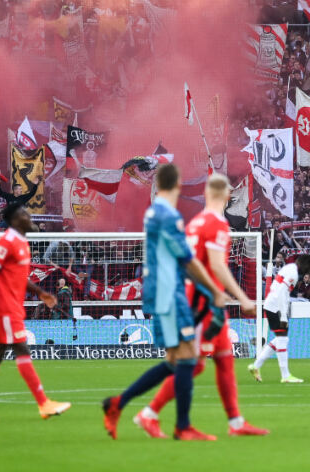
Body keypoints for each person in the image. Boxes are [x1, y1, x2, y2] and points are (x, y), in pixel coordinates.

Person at [102, 164, 229, 441]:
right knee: (188, 357)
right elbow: (187, 259)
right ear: (178, 184)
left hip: (162, 290)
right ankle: (182, 426)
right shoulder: (168, 216)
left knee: (175, 361)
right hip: (169, 292)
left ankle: (119, 404)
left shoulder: (153, 213)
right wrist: (213, 290)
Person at [137, 174, 268, 437]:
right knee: (193, 364)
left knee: (225, 359)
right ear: (228, 196)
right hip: (202, 303)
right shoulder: (217, 224)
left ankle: (236, 423)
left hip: (205, 299)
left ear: (207, 194)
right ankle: (149, 414)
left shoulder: (195, 223)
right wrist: (242, 297)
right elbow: (218, 266)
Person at [0, 195, 71, 422]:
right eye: (24, 214)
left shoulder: (22, 242)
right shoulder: (7, 241)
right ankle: (44, 403)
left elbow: (20, 277)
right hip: (4, 307)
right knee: (21, 349)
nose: (29, 217)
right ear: (14, 220)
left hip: (13, 306)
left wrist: (40, 293)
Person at [249, 250, 310, 383]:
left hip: (272, 305)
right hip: (275, 308)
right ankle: (285, 375)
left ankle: (256, 365)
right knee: (282, 339)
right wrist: (283, 315)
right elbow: (282, 292)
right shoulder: (293, 274)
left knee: (281, 339)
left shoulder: (289, 267)